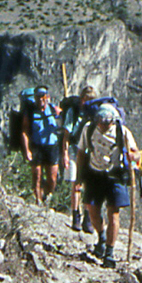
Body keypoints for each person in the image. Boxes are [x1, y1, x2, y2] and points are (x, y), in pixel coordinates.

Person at [77, 103, 139, 268]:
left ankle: (109, 253)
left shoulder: (123, 132)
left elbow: (136, 153)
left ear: (113, 121)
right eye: (100, 121)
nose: (103, 125)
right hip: (94, 174)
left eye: (107, 122)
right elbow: (81, 152)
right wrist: (79, 177)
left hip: (115, 176)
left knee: (114, 214)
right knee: (92, 210)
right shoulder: (88, 129)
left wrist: (132, 156)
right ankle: (102, 237)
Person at [61, 85, 96, 231]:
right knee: (76, 184)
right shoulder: (73, 112)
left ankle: (87, 218)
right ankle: (76, 216)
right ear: (82, 99)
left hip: (89, 152)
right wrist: (65, 154)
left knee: (88, 185)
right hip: (75, 149)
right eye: (87, 99)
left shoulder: (93, 114)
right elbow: (66, 135)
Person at [21, 86, 61, 206]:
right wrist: (27, 150)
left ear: (47, 97)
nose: (41, 100)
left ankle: (47, 196)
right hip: (37, 146)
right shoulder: (30, 112)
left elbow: (65, 126)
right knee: (37, 176)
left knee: (52, 178)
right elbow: (25, 130)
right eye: (38, 97)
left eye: (43, 97)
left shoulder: (54, 110)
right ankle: (38, 201)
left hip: (52, 147)